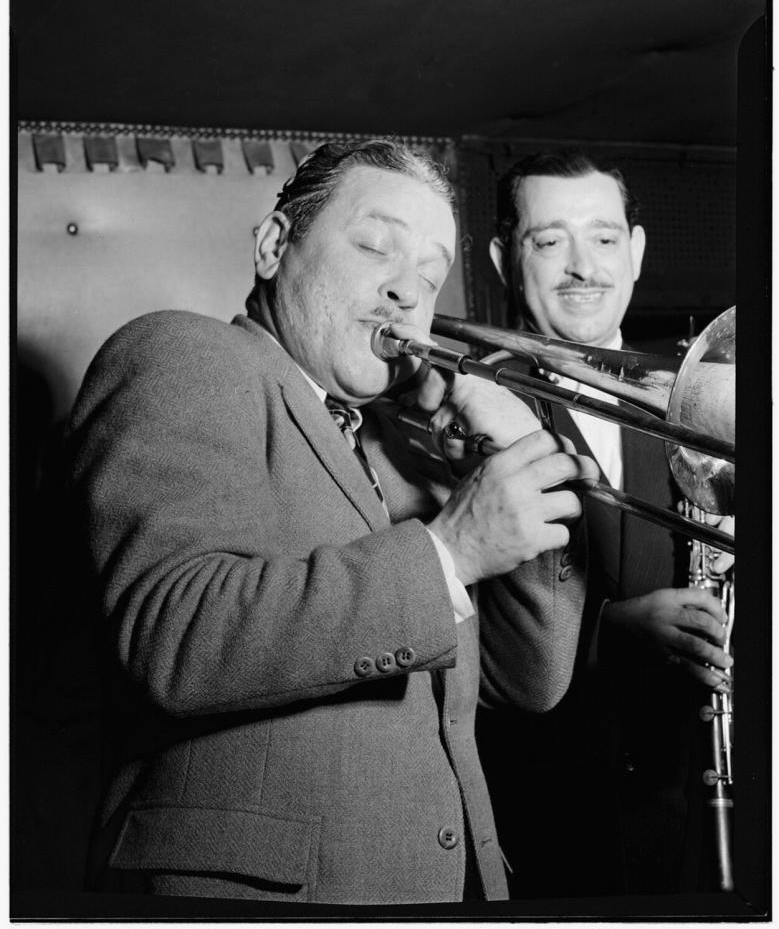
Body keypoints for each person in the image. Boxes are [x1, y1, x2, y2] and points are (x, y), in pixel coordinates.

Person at [67, 139, 598, 906]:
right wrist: (449, 552)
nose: (405, 292)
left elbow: (531, 683)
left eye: (430, 271)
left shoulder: (391, 451)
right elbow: (172, 632)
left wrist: (514, 453)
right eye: (375, 245)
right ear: (275, 245)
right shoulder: (187, 354)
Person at [477, 150, 734, 897]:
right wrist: (608, 630)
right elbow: (451, 633)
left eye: (603, 238)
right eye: (548, 241)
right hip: (541, 818)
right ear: (503, 257)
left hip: (690, 806)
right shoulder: (460, 406)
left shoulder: (707, 397)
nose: (581, 268)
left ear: (637, 249)